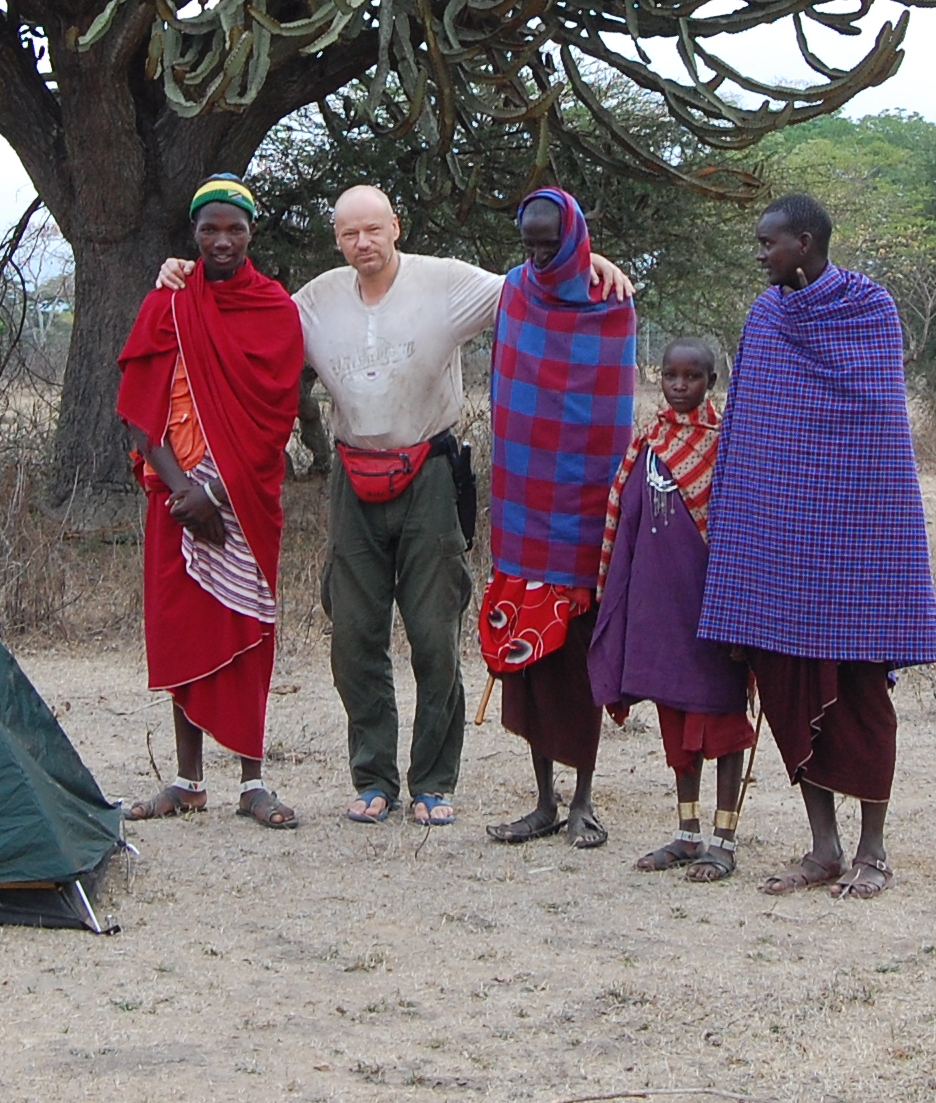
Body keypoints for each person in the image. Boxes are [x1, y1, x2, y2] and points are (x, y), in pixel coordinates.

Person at [162, 184, 632, 827]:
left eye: (374, 230)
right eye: (350, 233)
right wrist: (183, 277)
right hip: (351, 475)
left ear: (397, 227)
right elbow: (238, 319)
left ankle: (434, 783)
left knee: (435, 634)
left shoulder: (448, 283)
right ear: (337, 238)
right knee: (354, 635)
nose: (364, 243)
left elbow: (541, 280)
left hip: (432, 473)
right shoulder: (312, 302)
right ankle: (374, 778)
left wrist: (591, 261)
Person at [696, 193, 936, 899]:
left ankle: (873, 852)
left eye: (768, 242)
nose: (760, 253)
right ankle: (823, 848)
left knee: (860, 697)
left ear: (804, 242)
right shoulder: (766, 314)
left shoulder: (871, 310)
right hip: (778, 544)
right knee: (786, 687)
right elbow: (751, 433)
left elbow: (878, 432)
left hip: (858, 541)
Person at [115, 177, 306, 830]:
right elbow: (142, 413)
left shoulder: (275, 308)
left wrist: (214, 490)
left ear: (251, 233)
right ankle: (187, 780)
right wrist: (180, 488)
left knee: (247, 631)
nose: (222, 241)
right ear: (193, 234)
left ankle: (253, 781)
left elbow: (274, 419)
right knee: (182, 629)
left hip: (242, 498)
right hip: (175, 496)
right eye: (209, 230)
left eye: (234, 230)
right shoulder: (165, 305)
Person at [477, 188, 635, 851]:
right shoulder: (514, 290)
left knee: (578, 659)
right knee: (528, 661)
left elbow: (613, 404)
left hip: (586, 512)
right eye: (530, 243)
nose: (539, 255)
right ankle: (542, 801)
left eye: (550, 243)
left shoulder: (611, 301)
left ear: (574, 237)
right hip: (522, 503)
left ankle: (584, 801)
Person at [587, 336, 754, 882]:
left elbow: (741, 529)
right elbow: (626, 520)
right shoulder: (648, 443)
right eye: (671, 376)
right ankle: (687, 834)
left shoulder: (726, 443)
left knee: (722, 722)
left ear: (711, 381)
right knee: (675, 716)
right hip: (660, 609)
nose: (680, 386)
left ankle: (724, 840)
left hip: (713, 611)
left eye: (693, 377)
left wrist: (742, 613)